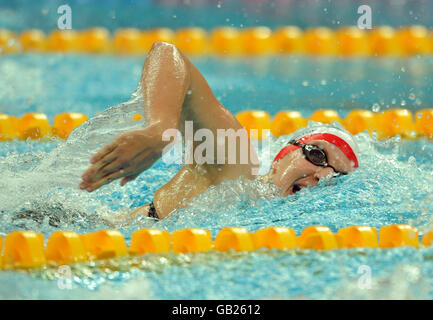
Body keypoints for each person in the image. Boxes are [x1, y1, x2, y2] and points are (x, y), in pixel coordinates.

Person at [79, 41, 359, 220]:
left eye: (337, 176)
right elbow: (167, 53)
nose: (324, 176)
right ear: (284, 153)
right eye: (318, 156)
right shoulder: (235, 166)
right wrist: (159, 130)